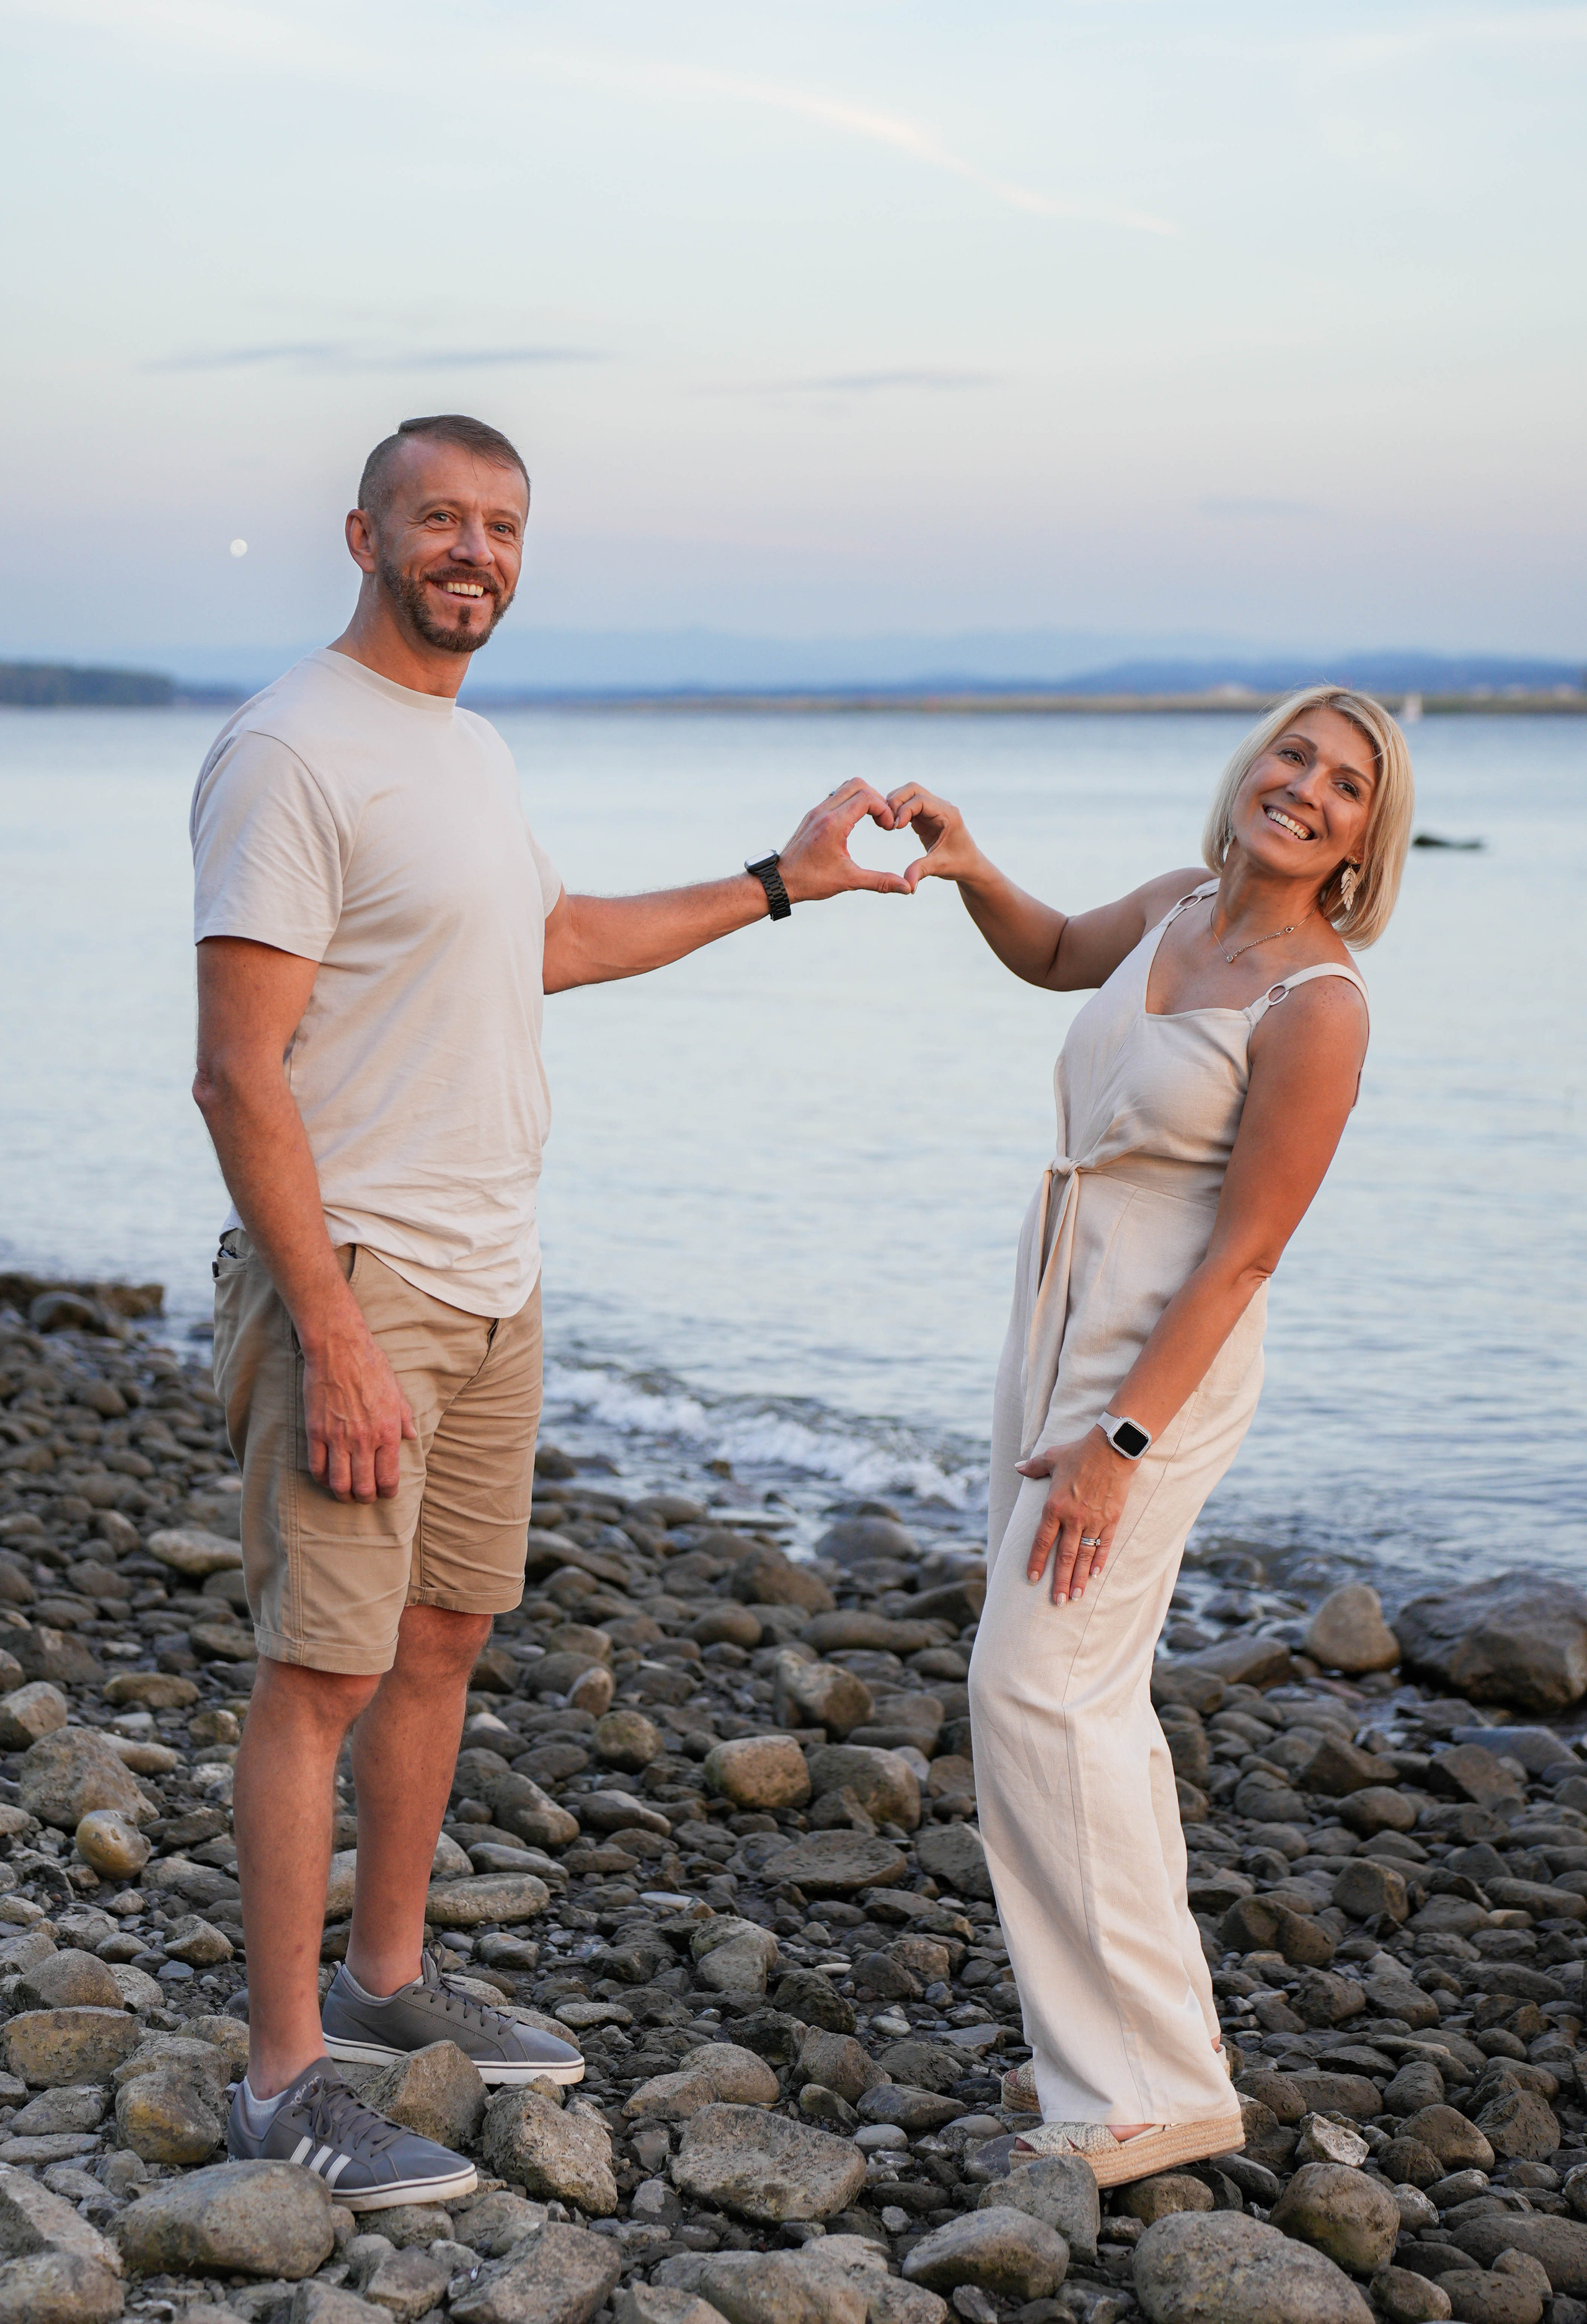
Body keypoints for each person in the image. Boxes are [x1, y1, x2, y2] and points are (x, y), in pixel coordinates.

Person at [190, 412, 909, 2207]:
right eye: (441, 518)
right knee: (321, 1669)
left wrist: (776, 884)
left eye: (503, 525)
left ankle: (386, 1982)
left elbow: (549, 940)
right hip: (358, 1276)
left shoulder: (468, 750)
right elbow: (235, 1075)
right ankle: (281, 2083)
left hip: (493, 1273)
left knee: (442, 1636)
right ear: (363, 532)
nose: (475, 551)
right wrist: (335, 1332)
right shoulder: (291, 747)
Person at [885, 687, 1413, 2186]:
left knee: (1034, 1683)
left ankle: (1148, 2090)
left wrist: (1118, 1443)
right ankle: (1137, 2072)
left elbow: (1246, 1252)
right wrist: (973, 862)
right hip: (1052, 1312)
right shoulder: (1180, 905)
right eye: (1292, 754)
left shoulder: (1316, 1004)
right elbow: (1054, 953)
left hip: (1150, 1365)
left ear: (1366, 839)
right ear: (1250, 767)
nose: (1303, 787)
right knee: (1080, 1698)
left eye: (1345, 783)